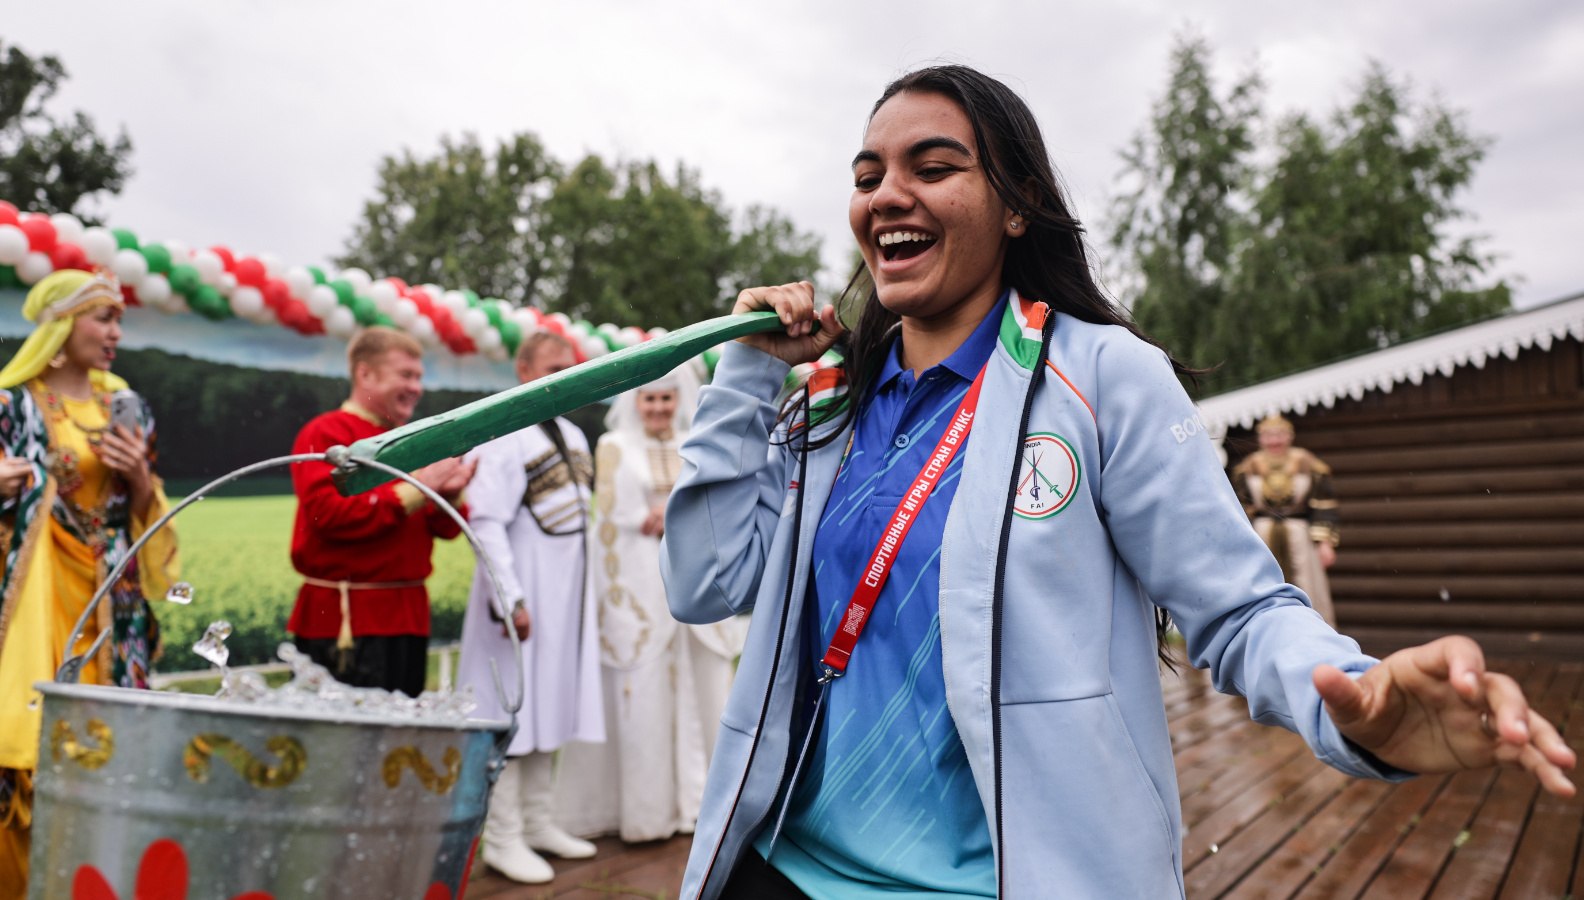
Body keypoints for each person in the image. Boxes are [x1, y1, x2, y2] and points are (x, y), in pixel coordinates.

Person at [660, 66, 1575, 900]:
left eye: (933, 167)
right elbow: (703, 586)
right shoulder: (828, 405)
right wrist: (742, 375)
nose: (889, 195)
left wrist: (1361, 705)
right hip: (780, 869)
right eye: (868, 178)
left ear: (1018, 206)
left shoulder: (1103, 378)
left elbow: (1239, 609)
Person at [0, 271, 180, 898]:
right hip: (32, 597)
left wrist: (140, 478)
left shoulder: (128, 406)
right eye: (103, 319)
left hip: (111, 598)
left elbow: (147, 508)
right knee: (31, 738)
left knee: (110, 739)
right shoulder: (6, 407)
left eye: (118, 320)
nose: (115, 334)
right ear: (62, 329)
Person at [556, 366, 750, 842]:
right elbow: (612, 523)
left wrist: (680, 517)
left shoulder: (695, 439)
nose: (659, 408)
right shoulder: (615, 446)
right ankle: (648, 812)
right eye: (649, 400)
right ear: (635, 402)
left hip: (694, 578)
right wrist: (654, 519)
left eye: (666, 399)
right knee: (644, 695)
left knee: (706, 692)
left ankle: (706, 806)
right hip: (644, 586)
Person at [459, 330, 604, 884]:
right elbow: (487, 521)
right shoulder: (502, 432)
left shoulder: (571, 433)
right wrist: (510, 596)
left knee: (552, 704)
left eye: (567, 368)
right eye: (549, 368)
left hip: (566, 599)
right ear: (523, 369)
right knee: (512, 710)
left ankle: (539, 823)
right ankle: (502, 836)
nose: (559, 378)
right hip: (521, 599)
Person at [287, 326, 475, 697]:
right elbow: (328, 514)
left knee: (400, 744)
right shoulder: (326, 432)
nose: (417, 387)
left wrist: (449, 495)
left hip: (409, 617)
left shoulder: (415, 439)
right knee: (342, 747)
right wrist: (422, 487)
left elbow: (448, 529)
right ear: (365, 374)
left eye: (419, 377)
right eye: (405, 375)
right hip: (344, 619)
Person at [1232, 414, 1340, 626]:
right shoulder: (1248, 467)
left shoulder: (1308, 463)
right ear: (1260, 438)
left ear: (1290, 436)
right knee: (1265, 583)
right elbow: (1241, 509)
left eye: (1279, 435)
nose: (1274, 441)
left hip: (1300, 534)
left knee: (1308, 585)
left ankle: (1314, 630)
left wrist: (1325, 542)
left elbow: (1323, 504)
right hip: (1262, 535)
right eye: (1268, 436)